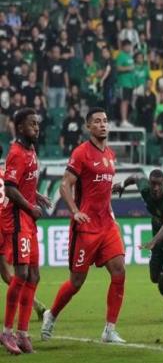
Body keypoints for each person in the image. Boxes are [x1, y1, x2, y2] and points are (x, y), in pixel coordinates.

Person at [41, 108, 126, 343]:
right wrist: (75, 211)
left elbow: (102, 190)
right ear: (88, 126)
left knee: (119, 270)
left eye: (105, 121)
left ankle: (109, 329)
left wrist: (112, 204)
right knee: (76, 282)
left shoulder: (110, 154)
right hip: (86, 227)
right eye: (97, 121)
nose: (103, 125)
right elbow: (64, 185)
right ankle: (51, 314)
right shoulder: (81, 153)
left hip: (107, 225)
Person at [0, 109, 50, 355]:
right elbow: (10, 189)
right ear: (20, 127)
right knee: (20, 274)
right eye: (32, 124)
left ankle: (22, 332)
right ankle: (7, 332)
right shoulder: (16, 153)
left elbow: (22, 183)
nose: (36, 128)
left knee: (34, 276)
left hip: (30, 220)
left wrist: (36, 195)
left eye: (37, 124)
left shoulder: (31, 150)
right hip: (19, 219)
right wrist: (30, 206)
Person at [112, 170, 163, 307]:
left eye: (159, 184)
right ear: (149, 183)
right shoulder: (145, 190)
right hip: (158, 235)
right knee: (154, 277)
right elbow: (136, 176)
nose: (156, 188)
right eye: (153, 184)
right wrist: (122, 184)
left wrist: (153, 241)